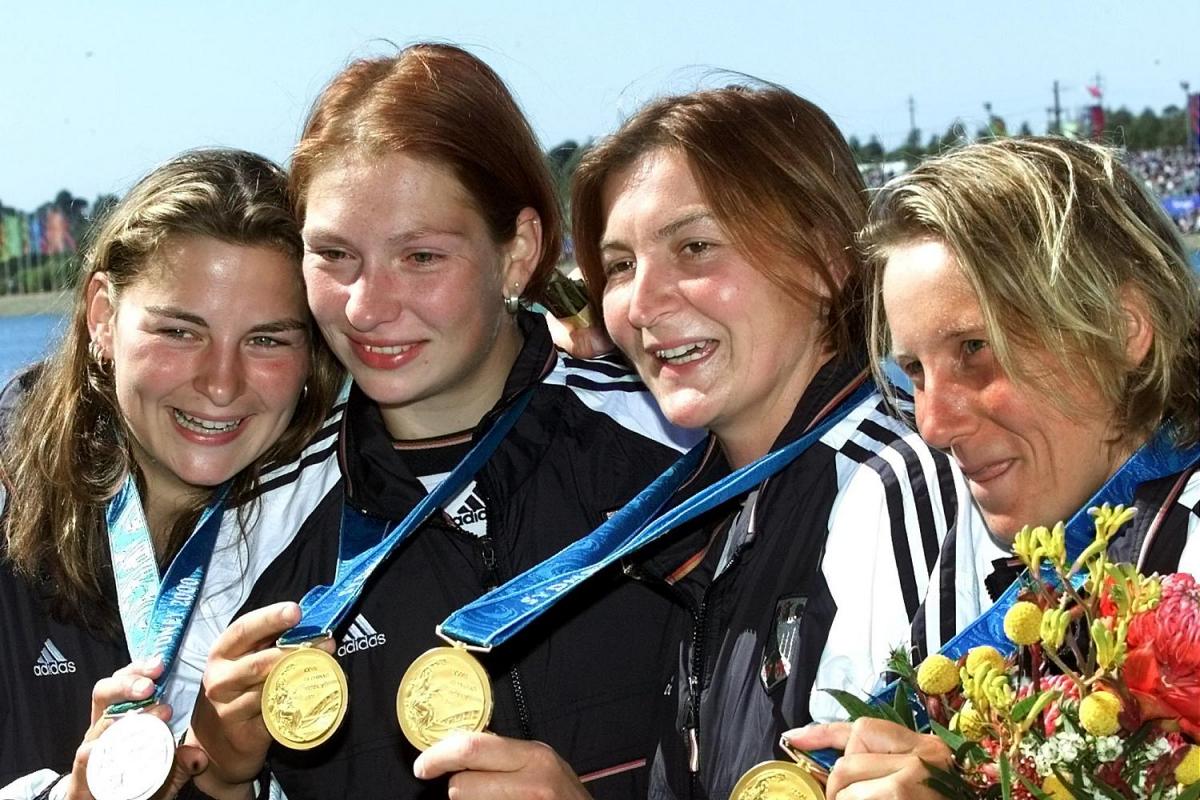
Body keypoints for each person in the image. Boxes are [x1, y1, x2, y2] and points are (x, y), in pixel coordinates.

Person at [186, 44, 697, 800]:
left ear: (519, 252)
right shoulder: (252, 528)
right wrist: (217, 778)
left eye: (420, 256)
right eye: (333, 255)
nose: (367, 306)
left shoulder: (680, 452)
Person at [534, 83, 979, 800]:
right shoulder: (719, 512)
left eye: (695, 247)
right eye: (619, 266)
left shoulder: (894, 485)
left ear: (824, 261)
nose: (642, 305)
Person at [788, 137, 1200, 798]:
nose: (932, 422)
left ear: (1125, 329)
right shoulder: (897, 517)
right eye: (914, 371)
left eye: (977, 350)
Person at [0, 149, 344, 798]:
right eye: (181, 332)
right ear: (103, 318)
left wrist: (228, 785)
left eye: (267, 339)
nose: (221, 383)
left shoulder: (351, 530)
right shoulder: (7, 501)